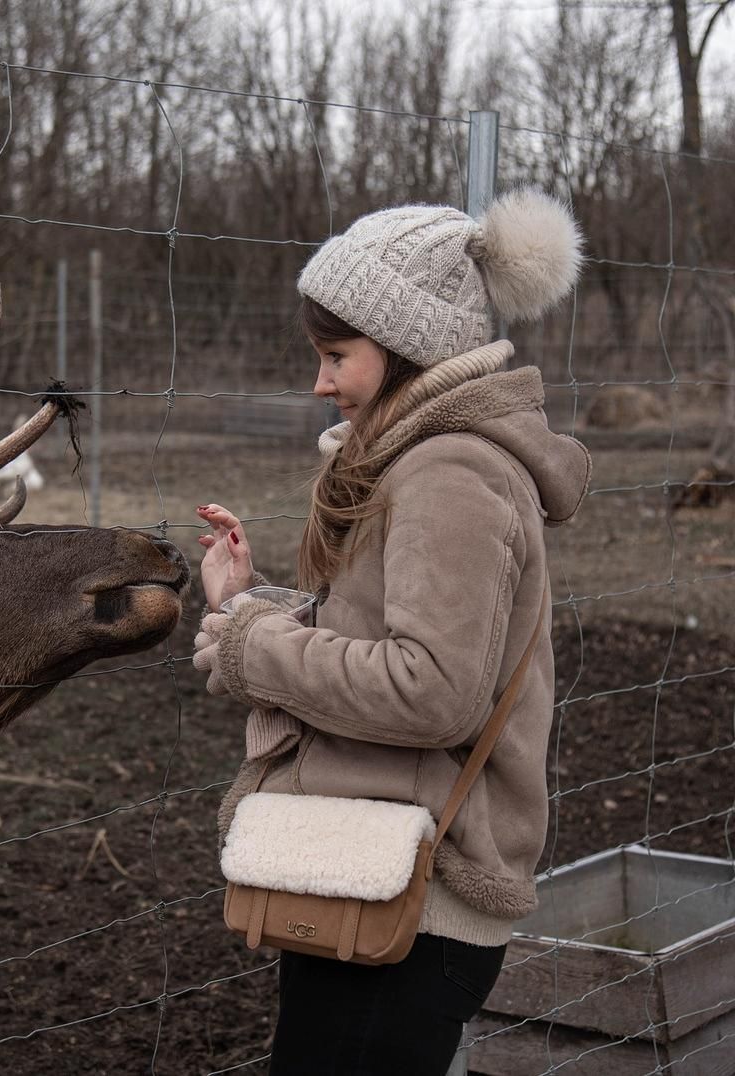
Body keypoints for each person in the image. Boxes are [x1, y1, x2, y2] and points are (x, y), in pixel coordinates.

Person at [192, 190, 591, 1076]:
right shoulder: (418, 459)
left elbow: (433, 688)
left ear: (406, 348)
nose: (320, 382)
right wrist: (249, 604)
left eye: (337, 355)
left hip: (414, 898)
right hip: (373, 870)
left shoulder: (448, 471)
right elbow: (387, 632)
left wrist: (255, 645)